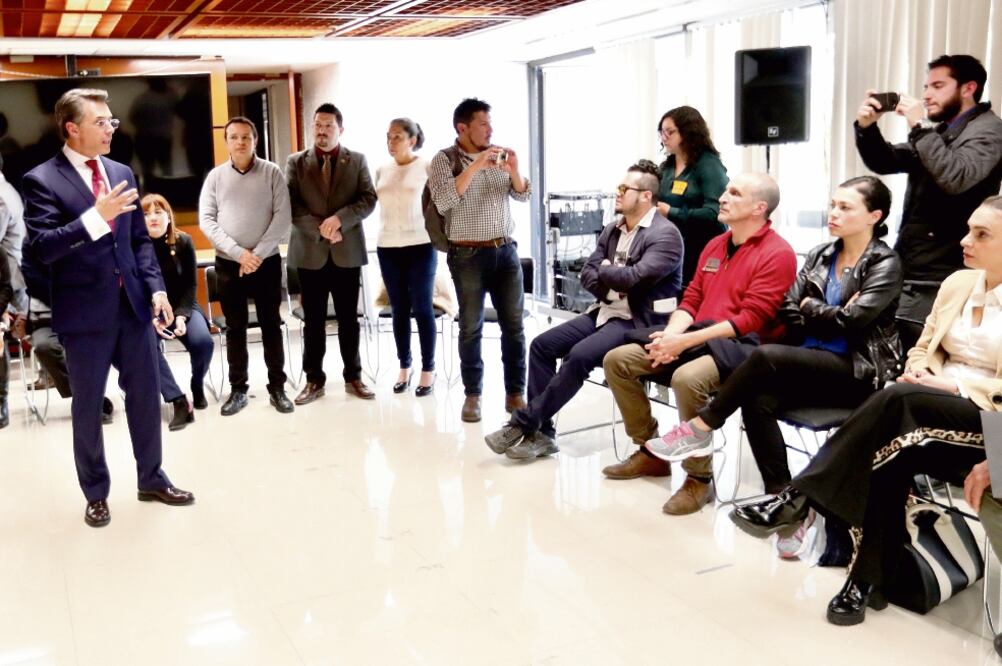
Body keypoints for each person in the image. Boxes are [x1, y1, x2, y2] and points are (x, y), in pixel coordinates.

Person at [729, 196, 1002, 627]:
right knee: (887, 457)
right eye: (969, 228)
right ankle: (865, 579)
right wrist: (918, 371)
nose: (965, 240)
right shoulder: (957, 284)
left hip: (987, 420)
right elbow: (922, 348)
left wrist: (951, 385)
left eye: (981, 234)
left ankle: (797, 496)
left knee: (895, 401)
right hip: (923, 409)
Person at [647, 176, 902, 556]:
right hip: (809, 360)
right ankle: (784, 503)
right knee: (756, 398)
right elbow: (789, 307)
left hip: (856, 370)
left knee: (764, 356)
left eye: (846, 207)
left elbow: (853, 323)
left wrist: (812, 310)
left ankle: (702, 425)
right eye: (833, 204)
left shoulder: (885, 263)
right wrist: (823, 312)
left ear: (874, 216)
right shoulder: (820, 255)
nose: (834, 213)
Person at [22, 88, 193, 527]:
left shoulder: (121, 171)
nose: (111, 128)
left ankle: (151, 479)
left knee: (144, 399)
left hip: (133, 307)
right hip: (83, 315)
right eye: (101, 122)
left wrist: (156, 289)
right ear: (72, 128)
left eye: (112, 121)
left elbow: (138, 241)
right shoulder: (42, 180)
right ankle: (95, 493)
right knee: (87, 408)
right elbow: (41, 248)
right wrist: (94, 218)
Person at [600, 172, 797, 516]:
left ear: (759, 208)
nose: (722, 197)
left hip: (744, 349)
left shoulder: (778, 253)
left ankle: (699, 478)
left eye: (734, 193)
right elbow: (691, 298)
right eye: (725, 190)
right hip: (696, 337)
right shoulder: (716, 243)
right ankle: (651, 451)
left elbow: (750, 320)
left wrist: (683, 340)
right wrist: (672, 335)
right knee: (618, 360)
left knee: (687, 379)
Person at [484, 160, 683, 460]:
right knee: (542, 345)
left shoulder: (665, 235)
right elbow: (588, 273)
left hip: (637, 321)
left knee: (579, 356)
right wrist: (611, 279)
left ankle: (523, 423)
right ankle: (543, 434)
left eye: (624, 188)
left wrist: (609, 273)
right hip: (605, 311)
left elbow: (636, 277)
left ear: (645, 196)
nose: (617, 193)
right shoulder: (612, 229)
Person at [855, 54, 1002, 349]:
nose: (926, 95)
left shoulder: (990, 130)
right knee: (881, 346)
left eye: (937, 85)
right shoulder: (944, 131)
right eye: (925, 87)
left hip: (946, 268)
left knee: (912, 348)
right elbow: (886, 160)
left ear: (968, 88)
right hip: (914, 261)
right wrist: (867, 127)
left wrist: (918, 126)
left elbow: (956, 176)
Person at [428, 98, 531, 423]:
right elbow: (443, 201)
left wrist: (513, 169)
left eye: (490, 123)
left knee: (514, 327)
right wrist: (475, 166)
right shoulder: (444, 160)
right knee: (470, 328)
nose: (490, 129)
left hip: (506, 251)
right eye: (483, 124)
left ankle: (515, 392)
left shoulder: (499, 154)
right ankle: (473, 395)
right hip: (467, 254)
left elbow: (523, 194)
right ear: (463, 127)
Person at [200, 115, 293, 416]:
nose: (240, 142)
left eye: (246, 137)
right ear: (226, 141)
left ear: (255, 140)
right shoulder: (215, 177)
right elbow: (207, 221)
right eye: (234, 137)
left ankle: (277, 388)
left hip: (265, 263)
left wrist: (257, 255)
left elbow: (282, 217)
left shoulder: (272, 173)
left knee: (271, 326)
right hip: (229, 264)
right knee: (235, 329)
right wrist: (240, 253)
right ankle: (238, 390)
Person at [286, 103, 377, 405]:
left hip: (346, 250)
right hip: (309, 253)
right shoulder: (296, 162)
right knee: (313, 322)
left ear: (341, 128)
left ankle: (354, 376)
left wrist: (339, 220)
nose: (322, 131)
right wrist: (320, 228)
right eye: (317, 125)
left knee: (349, 319)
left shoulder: (357, 160)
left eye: (328, 126)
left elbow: (368, 198)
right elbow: (292, 204)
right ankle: (314, 380)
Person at [375, 118, 437, 396]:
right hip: (388, 245)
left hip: (421, 244)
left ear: (412, 140)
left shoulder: (426, 166)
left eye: (397, 137)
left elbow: (440, 205)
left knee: (422, 308)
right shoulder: (381, 170)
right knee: (398, 308)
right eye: (388, 137)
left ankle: (428, 369)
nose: (391, 142)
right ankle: (404, 366)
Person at [142, 194, 215, 430]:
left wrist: (182, 316)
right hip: (149, 312)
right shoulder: (135, 246)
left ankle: (197, 384)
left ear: (168, 216)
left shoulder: (184, 241)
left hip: (182, 305)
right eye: (146, 213)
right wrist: (153, 317)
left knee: (203, 342)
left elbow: (191, 285)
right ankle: (176, 399)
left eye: (158, 212)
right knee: (144, 347)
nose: (152, 217)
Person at [655, 106, 728, 286]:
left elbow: (715, 213)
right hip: (672, 246)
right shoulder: (667, 166)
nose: (664, 138)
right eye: (661, 132)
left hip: (702, 248)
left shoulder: (708, 164)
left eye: (669, 132)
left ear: (688, 133)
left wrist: (672, 212)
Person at [0, 159, 27, 427]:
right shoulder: (5, 188)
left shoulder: (0, 198)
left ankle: (2, 401)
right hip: (10, 274)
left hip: (9, 279)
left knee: (4, 330)